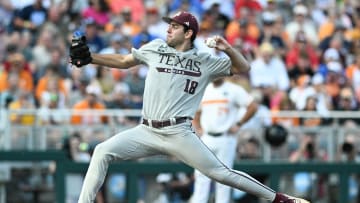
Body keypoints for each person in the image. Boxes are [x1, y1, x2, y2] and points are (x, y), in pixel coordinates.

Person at [69, 11, 309, 203]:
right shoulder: (156, 47)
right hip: (146, 130)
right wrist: (91, 58)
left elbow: (243, 67)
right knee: (102, 150)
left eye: (174, 26)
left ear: (188, 33)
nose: (168, 29)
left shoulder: (204, 61)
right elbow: (123, 61)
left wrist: (227, 48)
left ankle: (279, 199)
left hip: (179, 132)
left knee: (221, 174)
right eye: (169, 25)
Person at [191, 77, 258, 203]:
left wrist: (239, 124)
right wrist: (198, 127)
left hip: (225, 138)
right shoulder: (204, 89)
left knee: (224, 179)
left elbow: (253, 106)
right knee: (201, 176)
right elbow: (197, 111)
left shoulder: (233, 89)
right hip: (207, 138)